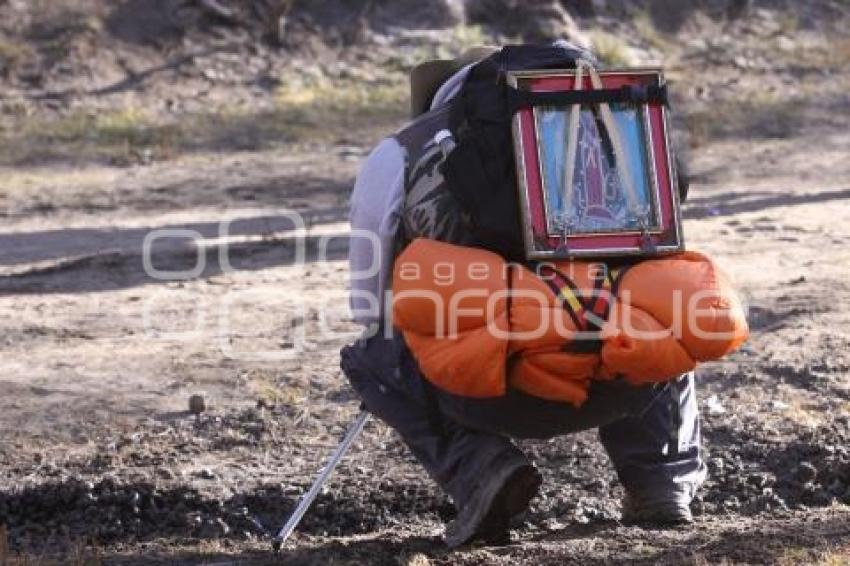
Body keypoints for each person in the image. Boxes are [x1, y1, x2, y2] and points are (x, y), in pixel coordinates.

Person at [342, 44, 706, 548]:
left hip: (486, 388)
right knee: (664, 303)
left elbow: (367, 304)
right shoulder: (624, 130)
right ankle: (660, 484)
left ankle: (482, 472)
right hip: (622, 375)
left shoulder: (403, 152)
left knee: (373, 352)